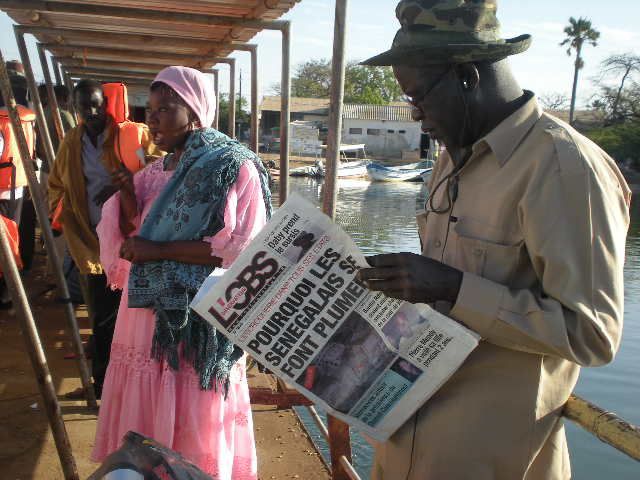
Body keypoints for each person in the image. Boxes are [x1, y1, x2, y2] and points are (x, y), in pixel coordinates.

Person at [358, 1, 631, 479]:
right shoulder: (451, 157)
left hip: (487, 458)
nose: (417, 116)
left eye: (418, 98)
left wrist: (451, 288)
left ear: (467, 77)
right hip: (403, 435)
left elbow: (593, 335)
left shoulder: (564, 168)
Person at [91, 66, 271, 479]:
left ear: (195, 111)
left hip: (196, 318)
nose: (151, 118)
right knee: (151, 410)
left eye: (165, 109)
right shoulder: (157, 172)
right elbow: (140, 228)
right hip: (144, 315)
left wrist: (159, 251)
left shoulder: (230, 165)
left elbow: (243, 249)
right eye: (150, 109)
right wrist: (124, 193)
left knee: (192, 405)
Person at [48, 79, 160, 399]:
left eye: (97, 104)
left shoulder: (130, 136)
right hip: (89, 240)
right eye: (85, 105)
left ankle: (110, 382)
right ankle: (104, 382)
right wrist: (58, 216)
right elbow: (57, 181)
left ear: (106, 103)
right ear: (75, 106)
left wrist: (124, 185)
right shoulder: (72, 141)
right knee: (101, 311)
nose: (93, 111)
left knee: (117, 312)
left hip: (128, 239)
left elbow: (158, 168)